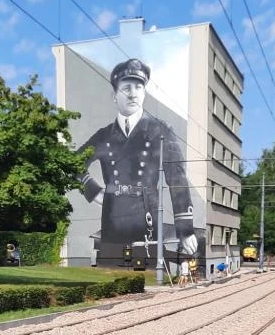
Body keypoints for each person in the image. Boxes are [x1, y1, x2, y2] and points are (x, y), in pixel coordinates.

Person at [76, 58, 199, 267]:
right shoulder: (103, 136)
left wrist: (185, 229)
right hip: (113, 220)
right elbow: (73, 165)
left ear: (144, 92)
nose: (133, 94)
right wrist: (95, 193)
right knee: (110, 276)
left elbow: (177, 179)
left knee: (146, 278)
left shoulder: (160, 130)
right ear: (114, 96)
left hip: (147, 218)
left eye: (138, 87)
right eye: (126, 88)